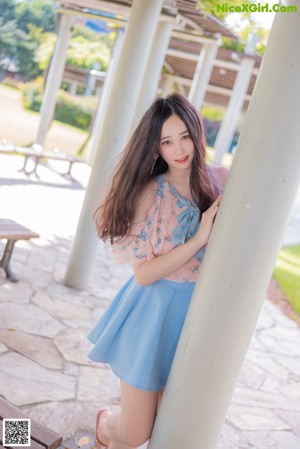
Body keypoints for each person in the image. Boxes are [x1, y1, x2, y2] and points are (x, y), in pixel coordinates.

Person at [88, 93, 222, 449]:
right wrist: (198, 239)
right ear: (156, 147)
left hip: (187, 318)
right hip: (150, 315)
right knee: (135, 434)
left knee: (167, 427)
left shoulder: (211, 186)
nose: (179, 149)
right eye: (166, 141)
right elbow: (144, 275)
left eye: (184, 136)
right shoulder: (152, 193)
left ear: (197, 134)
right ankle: (102, 423)